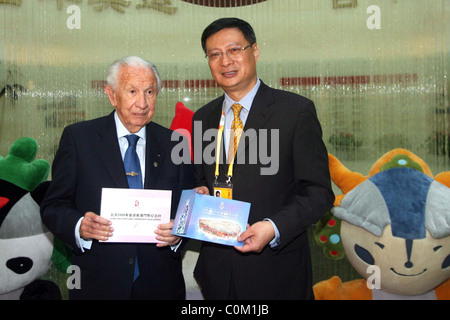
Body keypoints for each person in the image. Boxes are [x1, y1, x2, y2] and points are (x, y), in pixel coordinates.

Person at [192, 18, 335, 300]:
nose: (226, 61)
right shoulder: (204, 118)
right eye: (215, 54)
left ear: (254, 51)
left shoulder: (294, 112)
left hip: (276, 272)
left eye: (235, 50)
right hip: (217, 273)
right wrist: (200, 193)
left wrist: (273, 227)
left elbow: (319, 193)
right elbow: (202, 179)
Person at [40, 56, 194, 300]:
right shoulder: (79, 139)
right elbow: (53, 206)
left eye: (150, 92)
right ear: (112, 95)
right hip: (98, 284)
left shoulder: (176, 143)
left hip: (160, 285)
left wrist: (180, 232)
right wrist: (80, 226)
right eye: (132, 91)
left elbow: (189, 204)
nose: (142, 103)